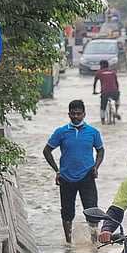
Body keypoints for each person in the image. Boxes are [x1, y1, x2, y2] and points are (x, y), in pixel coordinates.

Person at [43, 100, 104, 244]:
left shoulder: (93, 132)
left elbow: (100, 150)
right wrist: (57, 171)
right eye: (73, 114)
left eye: (79, 114)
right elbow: (47, 151)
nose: (76, 116)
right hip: (66, 178)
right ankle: (68, 243)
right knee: (67, 213)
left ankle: (94, 243)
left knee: (92, 211)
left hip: (87, 176)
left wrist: (96, 166)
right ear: (68, 114)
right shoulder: (61, 132)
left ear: (84, 114)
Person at [92, 60, 120, 125]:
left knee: (103, 107)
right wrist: (117, 91)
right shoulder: (113, 72)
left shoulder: (99, 73)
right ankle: (116, 111)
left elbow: (95, 83)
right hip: (114, 92)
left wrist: (94, 91)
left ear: (102, 65)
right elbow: (116, 82)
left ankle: (103, 122)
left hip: (105, 93)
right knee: (117, 99)